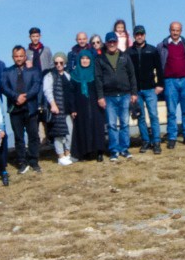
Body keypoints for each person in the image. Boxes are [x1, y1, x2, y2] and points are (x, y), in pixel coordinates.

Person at [0, 45, 44, 175]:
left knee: (33, 136)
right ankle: (22, 162)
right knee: (19, 137)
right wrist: (16, 97)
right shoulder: (7, 72)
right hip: (15, 109)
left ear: (25, 57)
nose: (19, 58)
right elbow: (4, 87)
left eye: (21, 56)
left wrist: (26, 97)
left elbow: (36, 85)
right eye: (16, 56)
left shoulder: (34, 71)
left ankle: (34, 161)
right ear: (12, 57)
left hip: (30, 108)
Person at [159, 21, 185, 147]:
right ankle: (172, 137)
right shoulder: (162, 46)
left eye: (177, 30)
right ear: (169, 30)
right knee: (171, 111)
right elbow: (159, 64)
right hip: (170, 81)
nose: (175, 32)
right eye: (173, 30)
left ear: (181, 31)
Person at [99, 32, 137, 160]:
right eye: (109, 42)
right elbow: (98, 79)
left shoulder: (124, 56)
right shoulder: (100, 59)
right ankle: (114, 150)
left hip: (125, 94)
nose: (112, 44)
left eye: (114, 41)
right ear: (106, 43)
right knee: (112, 124)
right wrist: (100, 96)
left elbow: (132, 75)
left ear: (117, 42)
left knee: (125, 123)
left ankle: (124, 149)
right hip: (109, 96)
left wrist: (134, 92)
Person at [127, 25, 163, 153]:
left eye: (141, 34)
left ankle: (156, 142)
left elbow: (159, 68)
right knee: (140, 117)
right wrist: (130, 90)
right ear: (134, 36)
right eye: (137, 34)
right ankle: (146, 141)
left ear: (145, 35)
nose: (139, 36)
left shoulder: (152, 50)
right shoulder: (128, 52)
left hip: (150, 89)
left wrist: (159, 85)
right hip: (136, 91)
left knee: (153, 115)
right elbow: (126, 72)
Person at [67, 51, 108, 162]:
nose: (85, 60)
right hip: (80, 106)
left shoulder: (95, 72)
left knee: (97, 127)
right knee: (82, 128)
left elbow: (100, 87)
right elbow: (71, 93)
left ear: (91, 59)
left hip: (96, 105)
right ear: (79, 60)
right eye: (82, 58)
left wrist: (102, 99)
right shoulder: (74, 74)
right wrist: (73, 108)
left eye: (87, 58)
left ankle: (99, 152)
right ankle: (85, 152)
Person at [42, 53, 74, 165]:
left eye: (61, 62)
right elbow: (47, 91)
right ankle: (60, 156)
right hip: (56, 108)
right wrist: (53, 104)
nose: (59, 65)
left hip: (67, 108)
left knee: (70, 131)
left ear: (64, 63)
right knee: (58, 132)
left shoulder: (68, 75)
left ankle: (68, 153)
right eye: (56, 63)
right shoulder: (50, 75)